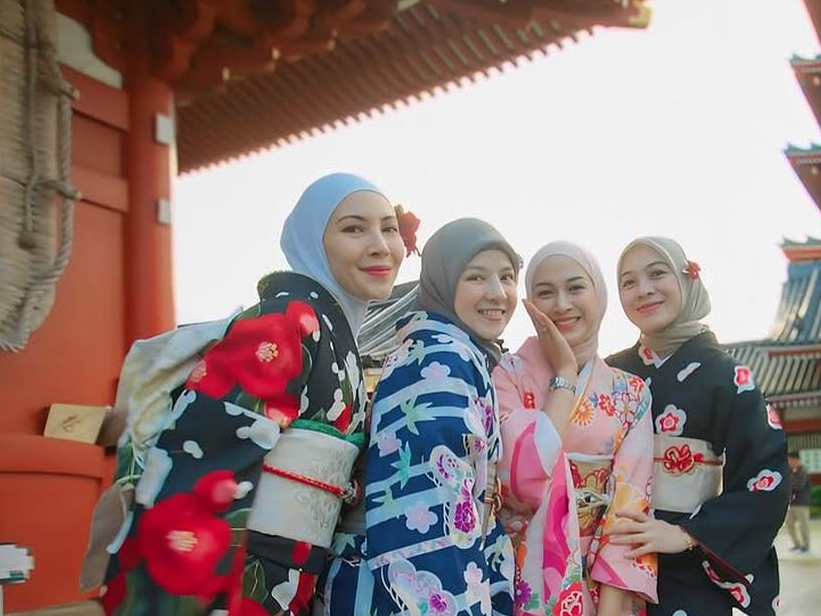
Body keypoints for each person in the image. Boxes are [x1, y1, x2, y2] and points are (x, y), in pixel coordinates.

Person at [100, 173, 407, 615]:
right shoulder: (284, 323)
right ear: (313, 243)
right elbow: (203, 460)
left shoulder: (333, 337)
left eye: (389, 227)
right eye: (353, 228)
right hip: (243, 575)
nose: (380, 245)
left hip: (294, 573)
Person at [321, 218, 518, 616]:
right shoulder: (439, 360)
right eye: (476, 277)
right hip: (411, 584)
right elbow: (433, 507)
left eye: (508, 277)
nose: (498, 293)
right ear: (442, 283)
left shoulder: (449, 351)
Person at [606, 237, 789, 616]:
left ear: (687, 279)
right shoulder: (610, 372)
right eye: (628, 281)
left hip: (688, 566)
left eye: (657, 274)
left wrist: (687, 534)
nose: (644, 290)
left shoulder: (727, 375)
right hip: (611, 557)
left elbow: (765, 477)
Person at [493, 242, 657, 616]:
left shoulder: (630, 392)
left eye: (575, 288)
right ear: (529, 303)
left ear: (598, 294)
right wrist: (565, 374)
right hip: (517, 574)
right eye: (545, 293)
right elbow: (518, 483)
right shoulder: (506, 375)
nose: (562, 304)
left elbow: (628, 507)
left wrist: (611, 608)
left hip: (602, 584)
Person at [785, 452, 811, 554]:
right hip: (791, 502)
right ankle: (797, 544)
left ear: (797, 460)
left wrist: (788, 483)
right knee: (789, 524)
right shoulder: (789, 470)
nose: (789, 462)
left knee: (803, 525)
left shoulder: (803, 471)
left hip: (801, 502)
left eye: (791, 460)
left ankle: (806, 545)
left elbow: (799, 485)